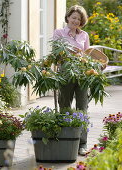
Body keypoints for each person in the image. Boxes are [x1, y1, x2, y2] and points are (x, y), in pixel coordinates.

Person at [53, 5, 90, 156]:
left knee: (82, 107)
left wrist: (93, 62)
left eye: (79, 19)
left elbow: (88, 54)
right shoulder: (59, 32)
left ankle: (82, 144)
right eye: (73, 17)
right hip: (66, 74)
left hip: (82, 74)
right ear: (68, 17)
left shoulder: (84, 35)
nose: (75, 21)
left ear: (82, 22)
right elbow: (55, 53)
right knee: (65, 106)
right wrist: (69, 53)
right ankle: (65, 139)